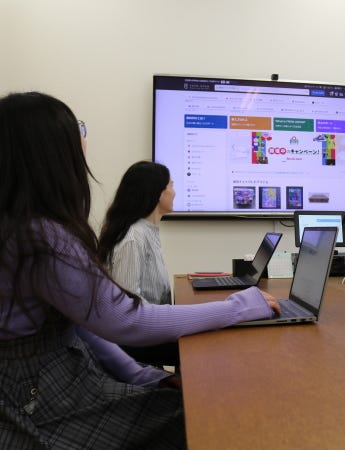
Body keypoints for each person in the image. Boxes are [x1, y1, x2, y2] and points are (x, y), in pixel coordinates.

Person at [0, 91, 280, 449]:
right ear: (50, 151)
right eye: (78, 129)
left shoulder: (25, 229)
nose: (84, 139)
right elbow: (125, 317)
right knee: (212, 414)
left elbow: (84, 324)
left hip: (55, 381)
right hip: (39, 398)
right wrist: (238, 306)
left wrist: (141, 375)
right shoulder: (42, 238)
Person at [98, 161, 179, 366]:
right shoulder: (134, 237)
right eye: (171, 185)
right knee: (200, 345)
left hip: (149, 330)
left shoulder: (147, 230)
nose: (174, 192)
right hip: (136, 341)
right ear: (158, 193)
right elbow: (128, 306)